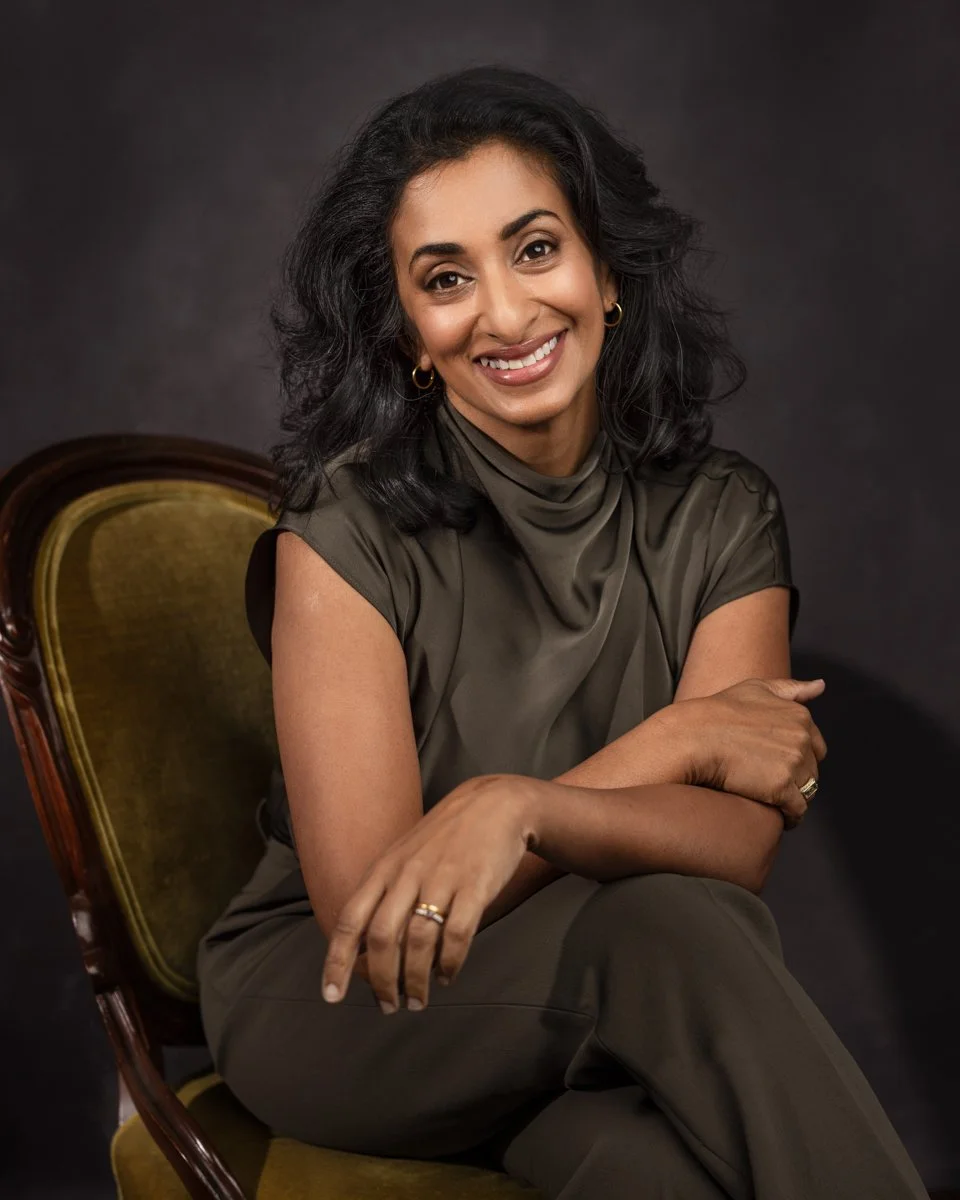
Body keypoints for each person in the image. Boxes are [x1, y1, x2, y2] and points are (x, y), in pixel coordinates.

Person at [196, 64, 929, 1199]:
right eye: (446, 278)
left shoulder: (723, 512)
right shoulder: (341, 529)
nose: (504, 310)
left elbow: (737, 847)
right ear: (406, 333)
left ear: (607, 271)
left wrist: (523, 807)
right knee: (660, 928)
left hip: (567, 1015)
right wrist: (671, 744)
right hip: (346, 1000)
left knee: (663, 1170)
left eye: (535, 249)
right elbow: (380, 909)